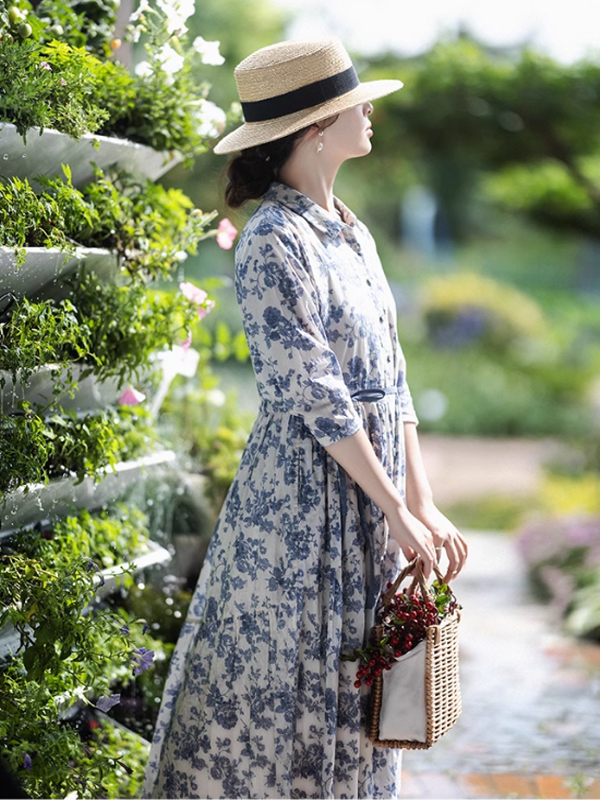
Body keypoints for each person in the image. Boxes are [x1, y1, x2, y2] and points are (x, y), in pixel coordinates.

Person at [144, 38, 468, 799]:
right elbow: (317, 394)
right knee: (291, 696)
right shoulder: (270, 242)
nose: (371, 111)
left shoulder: (354, 233)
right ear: (315, 128)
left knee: (367, 690)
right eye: (358, 101)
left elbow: (393, 378)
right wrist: (394, 506)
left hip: (370, 495)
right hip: (300, 507)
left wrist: (418, 501)